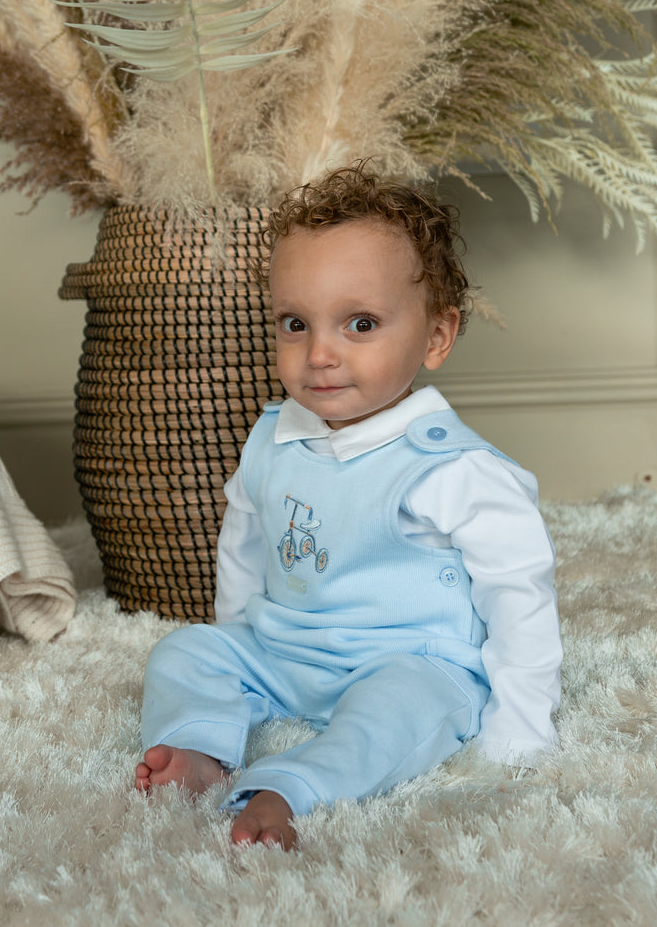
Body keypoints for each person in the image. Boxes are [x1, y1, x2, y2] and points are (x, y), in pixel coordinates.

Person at [133, 164, 562, 850]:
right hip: (285, 648)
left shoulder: (454, 468)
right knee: (184, 652)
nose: (320, 352)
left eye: (359, 323)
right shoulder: (272, 437)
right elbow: (244, 539)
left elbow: (520, 597)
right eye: (295, 323)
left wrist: (521, 728)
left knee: (401, 714)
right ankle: (200, 747)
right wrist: (237, 639)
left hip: (405, 659)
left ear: (435, 336)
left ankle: (289, 787)